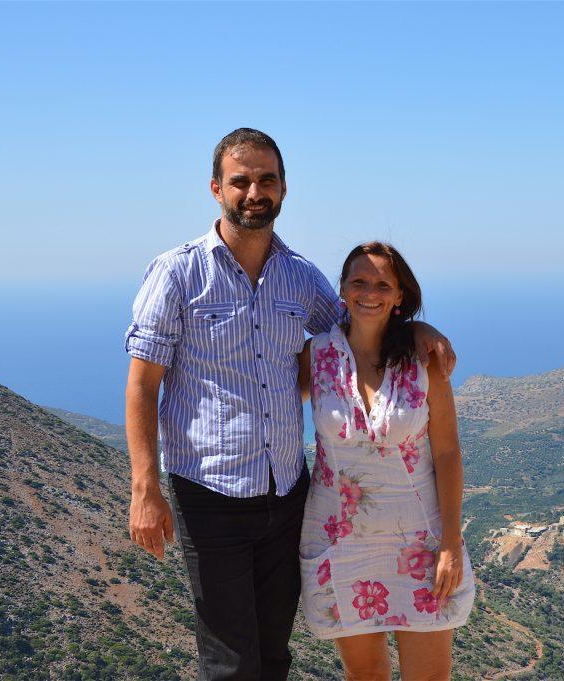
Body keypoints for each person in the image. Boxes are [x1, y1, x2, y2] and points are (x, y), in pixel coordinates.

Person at [124, 128, 455, 680]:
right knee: (230, 660)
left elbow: (357, 331)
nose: (254, 191)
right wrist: (144, 488)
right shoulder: (178, 273)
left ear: (283, 189)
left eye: (266, 180)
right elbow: (142, 385)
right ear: (216, 189)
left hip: (287, 497)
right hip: (209, 492)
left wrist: (417, 326)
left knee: (275, 652)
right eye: (241, 181)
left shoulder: (298, 276)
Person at [298, 242, 474, 681]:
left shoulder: (423, 360)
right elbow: (260, 396)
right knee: (365, 675)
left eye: (382, 284)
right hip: (339, 540)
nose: (369, 292)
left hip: (422, 540)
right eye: (358, 281)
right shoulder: (316, 356)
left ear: (400, 296)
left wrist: (451, 542)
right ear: (342, 290)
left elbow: (448, 452)